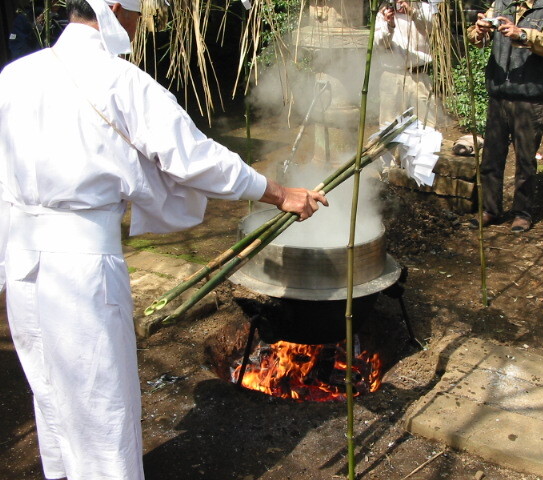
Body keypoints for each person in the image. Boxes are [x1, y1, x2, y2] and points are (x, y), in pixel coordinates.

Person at [0, 1, 328, 479]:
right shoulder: (119, 80)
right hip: (82, 267)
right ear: (114, 10)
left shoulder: (14, 75)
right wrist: (277, 193)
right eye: (135, 15)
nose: (136, 26)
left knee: (53, 396)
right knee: (100, 405)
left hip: (23, 265)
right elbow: (195, 157)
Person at [467, 0, 543, 232]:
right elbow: (475, 39)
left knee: (525, 160)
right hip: (499, 93)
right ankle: (490, 209)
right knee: (491, 157)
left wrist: (521, 34)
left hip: (529, 96)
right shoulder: (500, 3)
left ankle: (522, 212)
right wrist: (479, 30)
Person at [374, 0, 439, 129]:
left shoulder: (425, 8)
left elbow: (434, 29)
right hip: (392, 76)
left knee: (426, 126)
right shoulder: (383, 11)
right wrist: (389, 25)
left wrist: (413, 13)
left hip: (420, 76)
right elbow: (380, 45)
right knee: (390, 128)